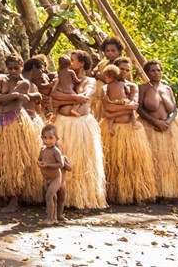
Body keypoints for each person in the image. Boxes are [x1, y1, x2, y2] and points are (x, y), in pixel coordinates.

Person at [0, 56, 43, 211]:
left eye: (16, 68)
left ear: (22, 67)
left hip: (15, 121)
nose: (13, 71)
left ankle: (15, 199)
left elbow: (1, 99)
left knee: (15, 160)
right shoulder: (1, 80)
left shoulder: (24, 83)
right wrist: (14, 96)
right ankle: (2, 194)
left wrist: (7, 97)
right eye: (10, 68)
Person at [50, 50, 107, 210]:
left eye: (73, 60)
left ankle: (84, 198)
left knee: (83, 160)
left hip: (82, 125)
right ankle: (63, 198)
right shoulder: (61, 76)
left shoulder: (90, 80)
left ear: (81, 63)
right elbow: (54, 96)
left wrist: (67, 97)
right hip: (63, 123)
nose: (70, 61)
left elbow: (86, 96)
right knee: (63, 159)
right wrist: (75, 98)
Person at [99, 64, 157, 204]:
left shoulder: (132, 87)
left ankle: (135, 193)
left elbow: (134, 106)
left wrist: (117, 110)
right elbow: (107, 109)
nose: (124, 72)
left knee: (132, 163)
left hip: (130, 129)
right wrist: (126, 108)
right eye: (122, 69)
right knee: (113, 163)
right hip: (112, 130)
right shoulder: (105, 88)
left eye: (127, 69)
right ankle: (114, 195)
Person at [137, 60, 178, 199]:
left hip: (169, 128)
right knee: (152, 161)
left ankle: (168, 190)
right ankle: (151, 192)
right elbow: (139, 109)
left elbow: (174, 110)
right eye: (152, 70)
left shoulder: (168, 89)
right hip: (150, 128)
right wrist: (154, 121)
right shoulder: (142, 88)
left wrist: (168, 122)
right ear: (147, 73)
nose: (156, 73)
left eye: (158, 70)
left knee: (169, 162)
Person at [38, 125, 70, 224]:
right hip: (47, 178)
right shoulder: (43, 150)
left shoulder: (56, 151)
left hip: (56, 178)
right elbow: (39, 160)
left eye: (51, 138)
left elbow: (61, 164)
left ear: (57, 139)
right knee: (53, 198)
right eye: (45, 138)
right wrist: (39, 164)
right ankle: (54, 217)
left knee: (50, 196)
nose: (47, 141)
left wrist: (48, 165)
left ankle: (51, 218)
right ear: (42, 138)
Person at [91, 36, 125, 118]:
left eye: (113, 51)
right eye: (107, 51)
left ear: (119, 52)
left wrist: (99, 75)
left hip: (112, 102)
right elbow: (93, 73)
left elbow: (116, 80)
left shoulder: (122, 65)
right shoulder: (103, 63)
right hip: (98, 100)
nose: (110, 53)